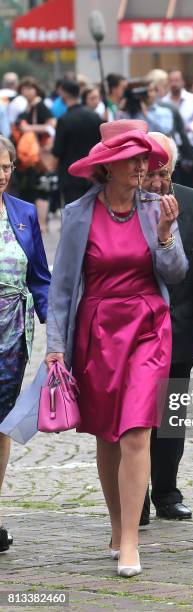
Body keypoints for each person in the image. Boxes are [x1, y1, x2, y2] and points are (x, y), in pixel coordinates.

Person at [45, 120, 188, 577]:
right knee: (106, 433)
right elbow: (63, 288)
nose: (143, 166)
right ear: (108, 166)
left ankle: (131, 539)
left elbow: (177, 272)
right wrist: (55, 348)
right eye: (134, 159)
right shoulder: (79, 214)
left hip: (148, 327)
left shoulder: (156, 207)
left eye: (145, 158)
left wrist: (166, 233)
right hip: (98, 332)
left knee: (136, 430)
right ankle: (116, 522)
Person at [142, 131, 193, 523]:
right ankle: (135, 497)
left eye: (163, 172)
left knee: (171, 415)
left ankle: (166, 491)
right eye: (148, 172)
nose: (156, 181)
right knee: (134, 415)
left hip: (180, 326)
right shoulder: (120, 204)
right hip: (132, 328)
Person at [0, 135, 50, 553]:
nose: (1, 174)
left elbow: (40, 278)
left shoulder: (23, 213)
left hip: (13, 339)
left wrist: (58, 328)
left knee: (1, 423)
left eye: (6, 167)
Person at [14, 77, 56, 234]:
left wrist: (29, 128)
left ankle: (42, 225)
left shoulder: (40, 106)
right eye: (24, 88)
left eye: (29, 88)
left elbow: (51, 125)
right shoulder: (29, 106)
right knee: (34, 190)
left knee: (40, 190)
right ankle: (38, 225)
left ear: (36, 90)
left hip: (38, 155)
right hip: (31, 157)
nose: (26, 91)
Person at [52, 80, 102, 204]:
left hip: (71, 176)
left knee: (74, 215)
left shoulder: (64, 120)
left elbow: (57, 151)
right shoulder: (95, 116)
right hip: (94, 174)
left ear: (63, 94)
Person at [162, 69, 193, 145]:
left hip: (191, 144)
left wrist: (190, 127)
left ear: (183, 81)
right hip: (170, 145)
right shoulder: (163, 102)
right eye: (171, 81)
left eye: (176, 80)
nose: (173, 84)